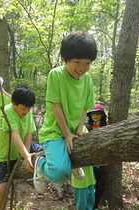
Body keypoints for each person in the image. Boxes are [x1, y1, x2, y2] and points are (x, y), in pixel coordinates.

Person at [33, 31, 97, 195]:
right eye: (77, 61)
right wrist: (67, 134)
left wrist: (79, 129)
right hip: (55, 132)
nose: (82, 68)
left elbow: (85, 107)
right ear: (64, 58)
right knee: (58, 174)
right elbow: (57, 107)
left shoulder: (87, 79)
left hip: (75, 130)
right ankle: (40, 162)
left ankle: (72, 164)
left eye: (87, 63)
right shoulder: (56, 75)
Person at [0, 87, 37, 210]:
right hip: (3, 155)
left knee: (44, 152)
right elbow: (15, 134)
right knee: (2, 187)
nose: (26, 111)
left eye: (29, 108)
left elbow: (29, 134)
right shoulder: (8, 110)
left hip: (21, 149)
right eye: (24, 108)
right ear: (14, 103)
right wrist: (25, 155)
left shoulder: (27, 113)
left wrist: (26, 155)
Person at [85, 104, 109, 210]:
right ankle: (86, 205)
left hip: (102, 162)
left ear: (102, 115)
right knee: (88, 185)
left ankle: (95, 206)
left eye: (98, 113)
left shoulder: (107, 127)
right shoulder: (86, 127)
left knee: (101, 187)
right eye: (93, 113)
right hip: (89, 162)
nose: (95, 115)